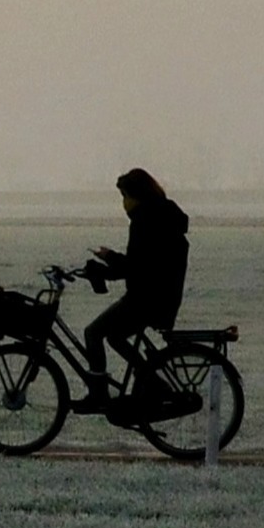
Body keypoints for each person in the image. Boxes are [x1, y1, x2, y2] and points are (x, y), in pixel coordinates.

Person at [77, 167, 193, 412]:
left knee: (93, 333)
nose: (123, 203)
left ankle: (98, 394)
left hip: (145, 299)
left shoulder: (144, 221)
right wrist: (110, 262)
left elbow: (135, 268)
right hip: (162, 298)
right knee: (115, 336)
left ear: (137, 196)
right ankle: (152, 381)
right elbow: (143, 264)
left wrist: (107, 262)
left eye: (124, 196)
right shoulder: (165, 216)